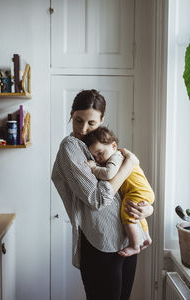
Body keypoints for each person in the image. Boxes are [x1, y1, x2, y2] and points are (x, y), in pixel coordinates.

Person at [51, 89, 154, 300]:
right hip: (100, 243)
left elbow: (126, 189)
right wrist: (129, 163)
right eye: (78, 120)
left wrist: (147, 209)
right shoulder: (70, 147)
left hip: (126, 238)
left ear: (102, 120)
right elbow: (96, 199)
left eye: (91, 123)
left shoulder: (98, 145)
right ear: (71, 113)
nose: (82, 129)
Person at [82, 126, 155, 257]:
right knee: (136, 215)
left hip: (136, 191)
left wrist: (94, 168)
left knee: (127, 212)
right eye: (94, 156)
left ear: (113, 146)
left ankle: (134, 245)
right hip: (142, 190)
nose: (98, 159)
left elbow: (109, 174)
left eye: (100, 153)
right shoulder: (118, 156)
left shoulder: (116, 157)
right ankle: (146, 237)